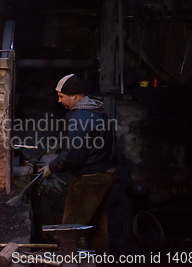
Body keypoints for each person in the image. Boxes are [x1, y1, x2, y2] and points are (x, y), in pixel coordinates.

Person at [40, 73, 115, 256]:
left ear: (73, 95)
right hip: (105, 175)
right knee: (97, 225)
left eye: (61, 96)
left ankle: (71, 262)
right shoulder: (97, 111)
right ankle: (100, 261)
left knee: (71, 231)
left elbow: (73, 154)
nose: (59, 101)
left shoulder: (80, 117)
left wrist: (52, 167)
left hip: (89, 179)